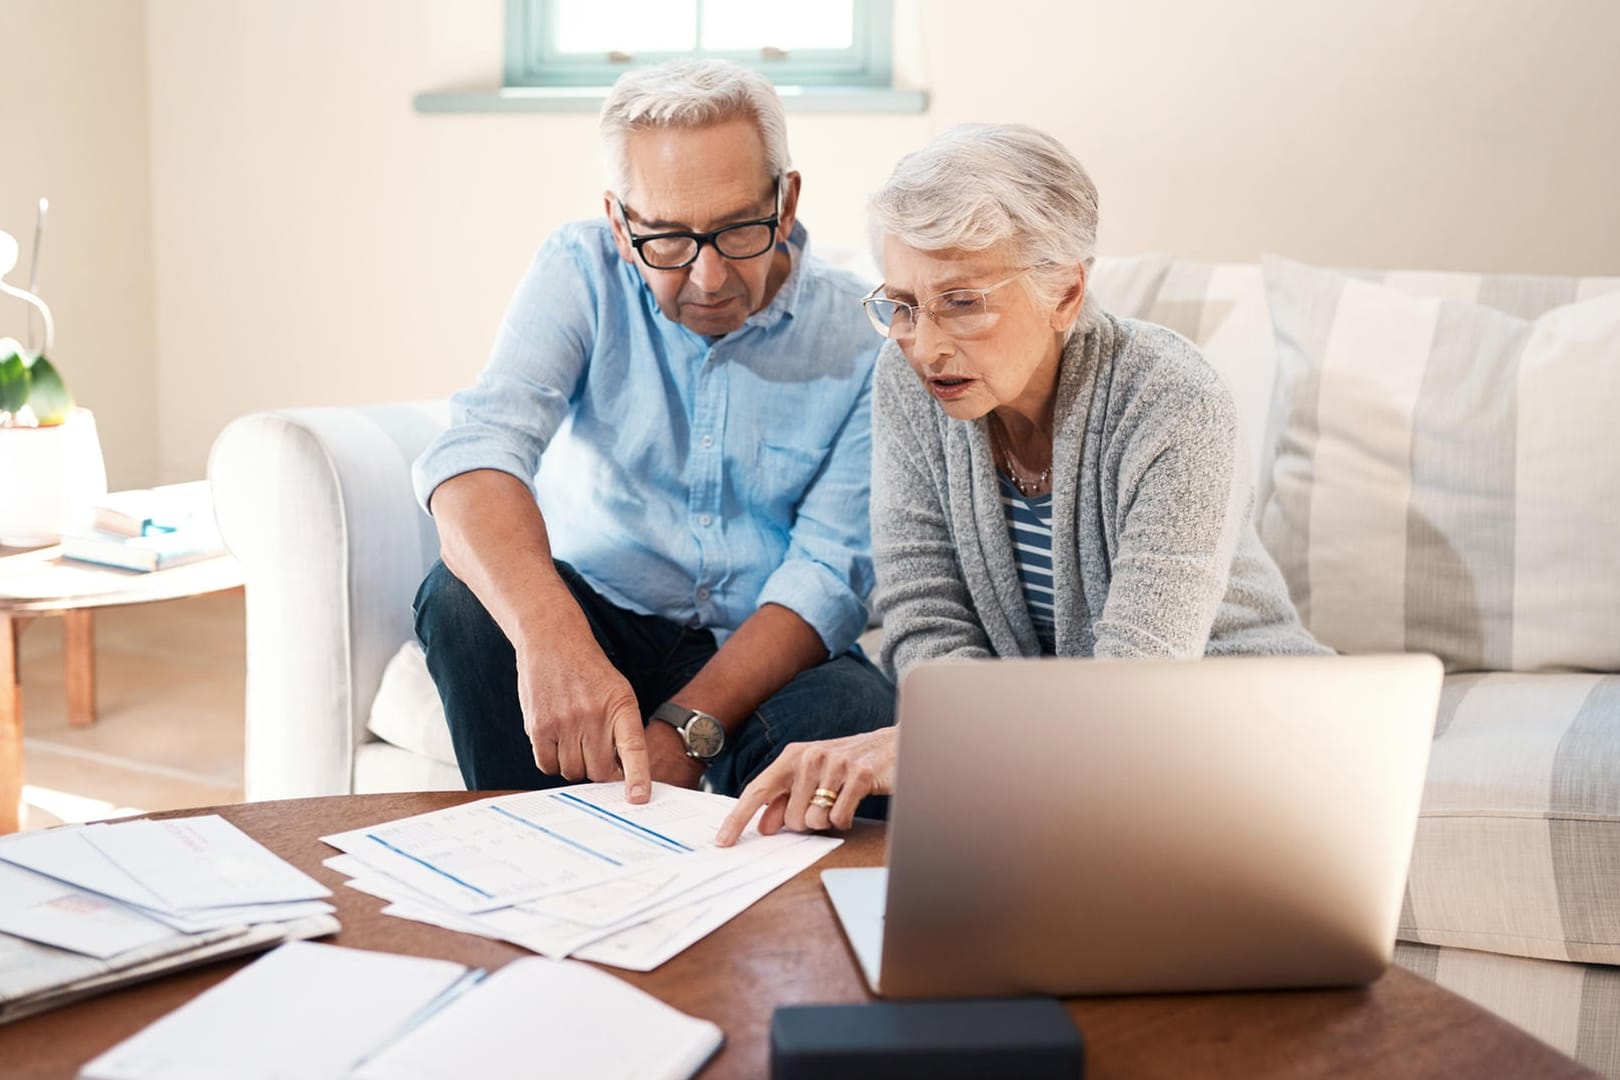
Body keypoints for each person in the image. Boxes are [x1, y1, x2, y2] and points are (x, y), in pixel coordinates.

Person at [716, 123, 1326, 845]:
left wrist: (943, 748)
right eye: (903, 305)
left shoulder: (1173, 401)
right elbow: (922, 621)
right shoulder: (909, 385)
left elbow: (1139, 692)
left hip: (1221, 720)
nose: (925, 345)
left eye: (963, 302)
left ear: (1065, 293)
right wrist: (973, 747)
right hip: (1048, 747)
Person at [413, 59, 893, 806]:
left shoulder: (867, 338)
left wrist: (682, 734)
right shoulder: (580, 269)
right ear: (618, 220)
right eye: (665, 239)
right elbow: (479, 451)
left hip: (761, 646)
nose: (707, 279)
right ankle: (525, 850)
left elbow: (830, 572)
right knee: (459, 602)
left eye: (739, 231)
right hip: (601, 614)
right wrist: (552, 640)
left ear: (787, 200)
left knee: (859, 714)